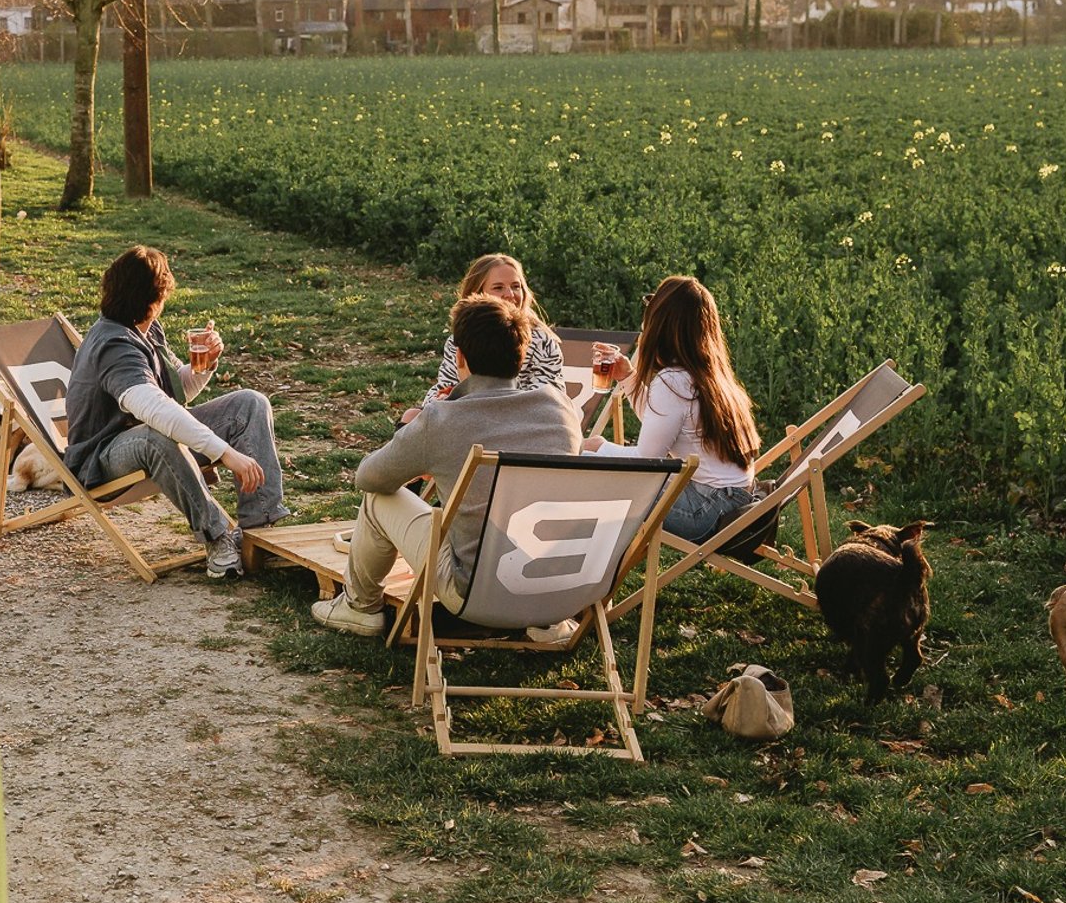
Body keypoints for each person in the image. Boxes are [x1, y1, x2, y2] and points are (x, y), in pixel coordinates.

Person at [311, 294, 581, 637]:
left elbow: (368, 477)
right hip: (556, 592)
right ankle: (546, 625)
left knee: (379, 499)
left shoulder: (444, 419)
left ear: (461, 358)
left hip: (475, 595)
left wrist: (417, 441)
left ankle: (359, 608)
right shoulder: (561, 411)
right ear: (522, 355)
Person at [65, 245, 290, 579]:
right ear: (152, 299)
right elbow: (154, 410)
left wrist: (205, 366)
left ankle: (260, 528)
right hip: (101, 458)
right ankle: (217, 538)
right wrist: (225, 453)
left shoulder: (146, 327)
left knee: (250, 403)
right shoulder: (113, 345)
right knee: (158, 435)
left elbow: (177, 393)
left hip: (148, 433)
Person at [584, 275, 761, 542]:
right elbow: (663, 428)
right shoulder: (706, 373)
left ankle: (583, 558)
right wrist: (629, 378)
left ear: (662, 323)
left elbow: (647, 460)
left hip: (707, 510)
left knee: (585, 466)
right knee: (594, 455)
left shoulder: (674, 380)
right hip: (733, 500)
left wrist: (599, 448)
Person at [401, 253, 565, 425]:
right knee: (411, 416)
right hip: (467, 417)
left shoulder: (542, 342)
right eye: (498, 287)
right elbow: (447, 387)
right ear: (477, 294)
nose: (510, 294)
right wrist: (438, 402)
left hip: (521, 424)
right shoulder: (459, 340)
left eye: (516, 286)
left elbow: (547, 400)